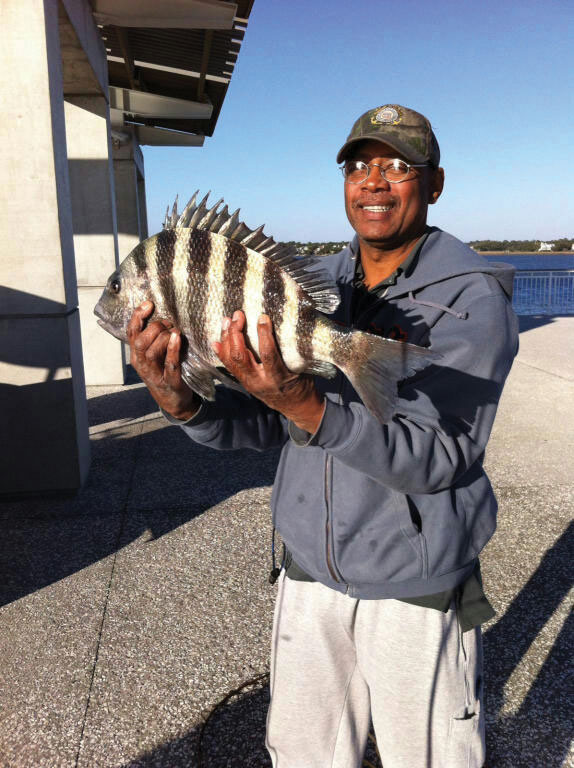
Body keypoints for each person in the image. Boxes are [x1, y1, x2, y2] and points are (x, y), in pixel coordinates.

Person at [127, 104, 518, 767]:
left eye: (397, 166)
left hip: (413, 587)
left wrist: (306, 402)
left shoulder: (470, 299)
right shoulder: (314, 284)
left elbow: (440, 456)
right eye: (359, 165)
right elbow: (259, 420)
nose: (374, 181)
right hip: (308, 574)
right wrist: (180, 399)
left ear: (435, 183)